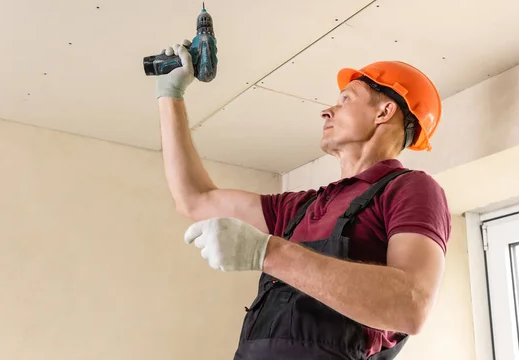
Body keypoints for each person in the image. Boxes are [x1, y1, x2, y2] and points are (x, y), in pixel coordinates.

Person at [155, 41, 451, 360]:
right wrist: (170, 96)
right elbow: (195, 200)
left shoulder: (409, 188)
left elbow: (412, 304)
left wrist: (269, 251)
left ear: (384, 111)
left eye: (345, 99)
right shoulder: (300, 208)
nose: (326, 110)